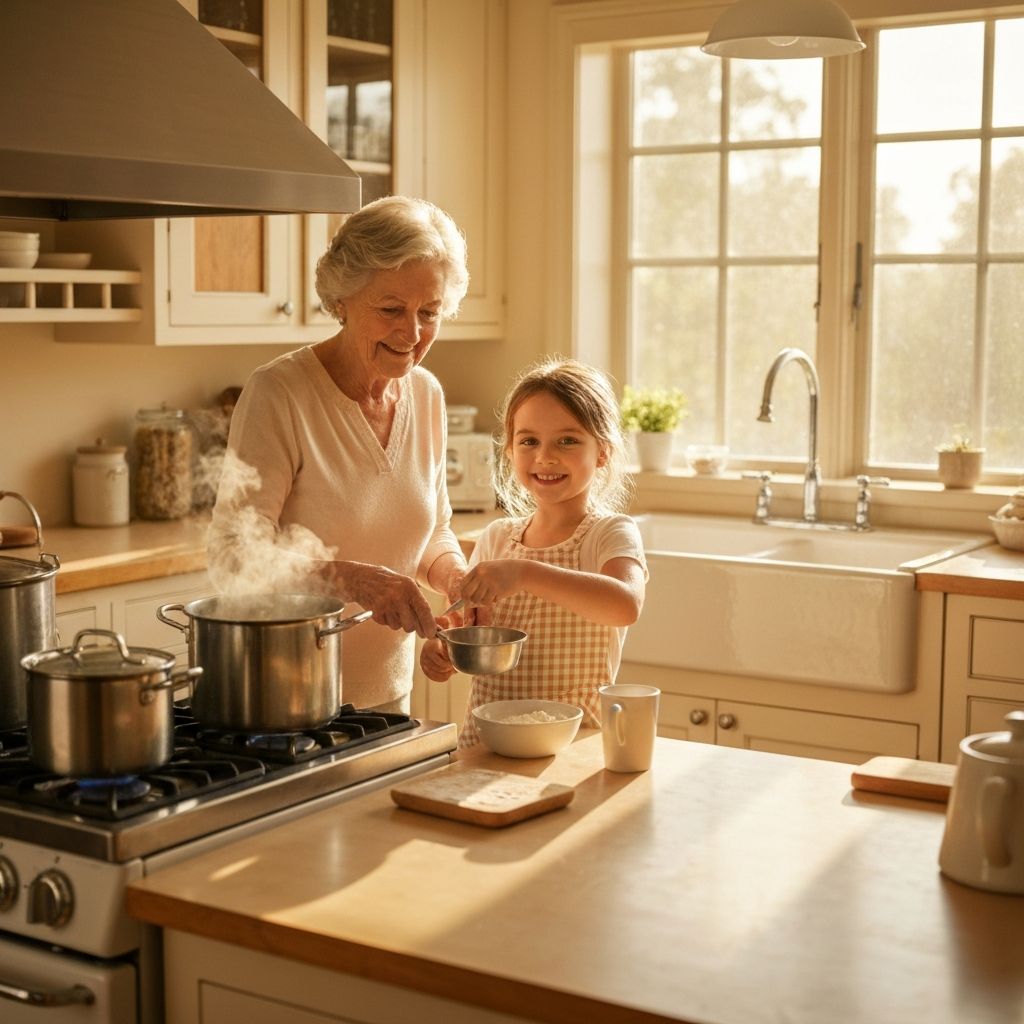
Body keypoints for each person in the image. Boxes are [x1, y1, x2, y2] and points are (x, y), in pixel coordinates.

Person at [207, 195, 472, 714]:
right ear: (342, 299)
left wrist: (457, 582)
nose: (412, 333)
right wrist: (353, 581)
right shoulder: (279, 394)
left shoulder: (427, 395)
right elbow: (233, 556)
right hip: (283, 696)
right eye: (392, 309)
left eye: (430, 312)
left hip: (387, 697)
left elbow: (434, 532)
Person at [420, 358, 648, 746]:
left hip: (572, 745)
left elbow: (624, 604)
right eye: (529, 441)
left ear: (603, 452)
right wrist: (441, 646)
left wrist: (526, 573)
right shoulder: (497, 538)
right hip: (488, 743)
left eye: (568, 440)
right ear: (509, 450)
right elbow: (464, 624)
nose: (545, 456)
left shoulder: (609, 533)